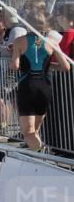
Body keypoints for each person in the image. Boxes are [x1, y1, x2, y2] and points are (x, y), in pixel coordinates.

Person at [12, 17, 71, 151]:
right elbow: (66, 67)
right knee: (35, 129)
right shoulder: (52, 42)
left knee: (28, 132)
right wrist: (49, 66)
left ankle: (41, 151)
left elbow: (15, 66)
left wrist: (16, 55)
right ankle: (37, 151)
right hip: (45, 86)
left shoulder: (19, 41)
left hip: (27, 86)